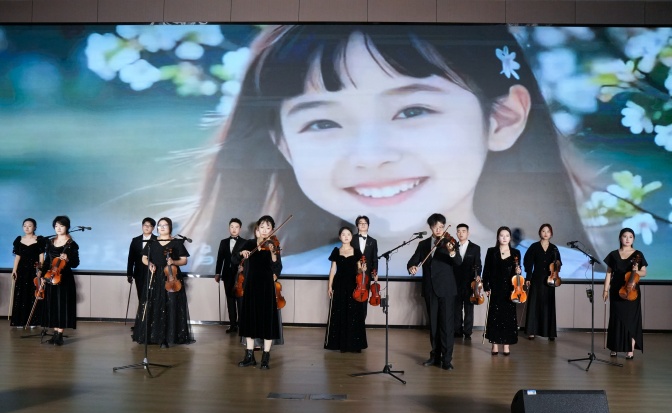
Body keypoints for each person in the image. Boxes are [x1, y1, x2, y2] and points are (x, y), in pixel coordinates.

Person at [180, 24, 592, 278]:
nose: (370, 155)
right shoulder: (281, 276)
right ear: (284, 145)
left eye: (413, 110)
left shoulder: (564, 274)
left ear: (502, 119)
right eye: (322, 123)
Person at [407, 213, 462, 370]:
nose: (439, 230)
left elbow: (458, 262)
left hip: (446, 290)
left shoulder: (450, 242)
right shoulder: (424, 244)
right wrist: (412, 267)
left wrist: (452, 252)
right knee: (433, 326)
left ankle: (447, 359)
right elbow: (413, 261)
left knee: (447, 326)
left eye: (441, 227)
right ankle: (435, 356)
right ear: (430, 227)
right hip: (430, 289)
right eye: (436, 227)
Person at [132, 217, 194, 348]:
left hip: (171, 277)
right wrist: (149, 264)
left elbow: (184, 260)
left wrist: (173, 262)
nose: (162, 227)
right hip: (155, 277)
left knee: (170, 305)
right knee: (155, 305)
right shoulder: (152, 242)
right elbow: (144, 258)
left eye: (165, 225)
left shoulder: (176, 243)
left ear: (170, 227)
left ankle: (168, 337)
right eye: (160, 225)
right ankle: (154, 336)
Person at [235, 215, 283, 370]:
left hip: (266, 287)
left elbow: (277, 267)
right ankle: (249, 356)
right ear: (257, 229)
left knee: (267, 321)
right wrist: (242, 253)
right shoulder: (249, 244)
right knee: (250, 320)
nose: (264, 230)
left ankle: (265, 358)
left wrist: (273, 253)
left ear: (272, 230)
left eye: (268, 228)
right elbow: (235, 258)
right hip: (251, 286)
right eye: (262, 227)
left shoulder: (273, 245)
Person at [603, 228, 648, 360]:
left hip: (632, 291)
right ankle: (614, 347)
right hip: (616, 290)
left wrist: (636, 271)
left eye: (630, 237)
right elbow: (609, 273)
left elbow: (644, 272)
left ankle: (630, 350)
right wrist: (605, 289)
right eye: (625, 236)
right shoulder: (613, 254)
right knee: (616, 319)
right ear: (620, 238)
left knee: (631, 320)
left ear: (633, 239)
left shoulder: (638, 254)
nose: (627, 239)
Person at [324, 226, 368, 353]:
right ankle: (340, 344)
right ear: (340, 237)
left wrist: (362, 269)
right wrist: (329, 286)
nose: (346, 236)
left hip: (353, 285)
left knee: (354, 313)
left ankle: (354, 344)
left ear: (351, 237)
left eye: (348, 234)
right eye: (343, 234)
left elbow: (358, 269)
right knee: (339, 312)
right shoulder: (336, 251)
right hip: (339, 284)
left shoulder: (357, 251)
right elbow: (332, 270)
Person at [39, 216, 79, 346]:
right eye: (56, 226)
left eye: (61, 226)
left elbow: (76, 263)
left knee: (62, 306)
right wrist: (43, 275)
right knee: (53, 305)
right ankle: (54, 334)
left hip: (64, 278)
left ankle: (60, 336)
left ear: (67, 227)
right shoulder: (50, 242)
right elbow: (47, 261)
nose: (58, 228)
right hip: (51, 277)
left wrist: (67, 259)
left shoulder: (71, 244)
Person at [483, 226, 521, 356]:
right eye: (501, 235)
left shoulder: (516, 253)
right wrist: (486, 287)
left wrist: (518, 271)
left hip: (510, 289)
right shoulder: (491, 251)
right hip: (495, 288)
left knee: (508, 317)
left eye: (507, 236)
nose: (504, 238)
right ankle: (494, 345)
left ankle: (506, 345)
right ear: (498, 237)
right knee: (495, 316)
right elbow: (486, 270)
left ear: (510, 238)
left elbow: (517, 272)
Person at [523, 223, 561, 341]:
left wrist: (557, 264)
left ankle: (550, 332)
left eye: (548, 231)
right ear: (540, 232)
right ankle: (531, 331)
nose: (545, 233)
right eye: (543, 231)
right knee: (534, 304)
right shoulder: (534, 246)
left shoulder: (554, 248)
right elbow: (528, 262)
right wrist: (528, 277)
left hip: (550, 279)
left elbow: (559, 263)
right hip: (536, 278)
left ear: (551, 234)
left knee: (548, 304)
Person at [10, 218, 45, 328]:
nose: (27, 228)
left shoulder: (39, 240)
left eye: (30, 226)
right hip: (21, 270)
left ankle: (33, 321)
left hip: (34, 270)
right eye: (25, 226)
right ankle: (19, 321)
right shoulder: (19, 240)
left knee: (32, 294)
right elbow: (17, 257)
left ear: (35, 227)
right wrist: (14, 270)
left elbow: (41, 257)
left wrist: (40, 270)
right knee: (20, 294)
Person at [214, 218, 247, 333]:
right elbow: (220, 259)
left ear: (240, 229)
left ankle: (242, 326)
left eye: (236, 227)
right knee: (230, 300)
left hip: (240, 275)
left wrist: (244, 269)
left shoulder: (245, 242)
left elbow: (247, 259)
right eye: (232, 227)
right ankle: (233, 325)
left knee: (240, 300)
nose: (234, 229)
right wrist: (217, 273)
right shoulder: (223, 242)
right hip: (227, 274)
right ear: (229, 228)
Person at [453, 223, 482, 341]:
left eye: (463, 231)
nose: (461, 233)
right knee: (456, 308)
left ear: (468, 233)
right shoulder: (453, 246)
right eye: (458, 231)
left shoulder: (475, 248)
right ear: (456, 233)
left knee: (469, 309)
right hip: (455, 282)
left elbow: (478, 264)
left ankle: (468, 332)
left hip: (470, 283)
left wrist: (478, 275)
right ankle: (457, 331)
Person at [126, 217, 156, 303]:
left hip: (153, 271)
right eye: (145, 225)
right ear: (142, 226)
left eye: (149, 226)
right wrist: (129, 274)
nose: (147, 227)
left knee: (153, 296)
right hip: (139, 272)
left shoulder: (157, 240)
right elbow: (131, 258)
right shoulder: (135, 240)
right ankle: (142, 311)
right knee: (141, 295)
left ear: (153, 228)